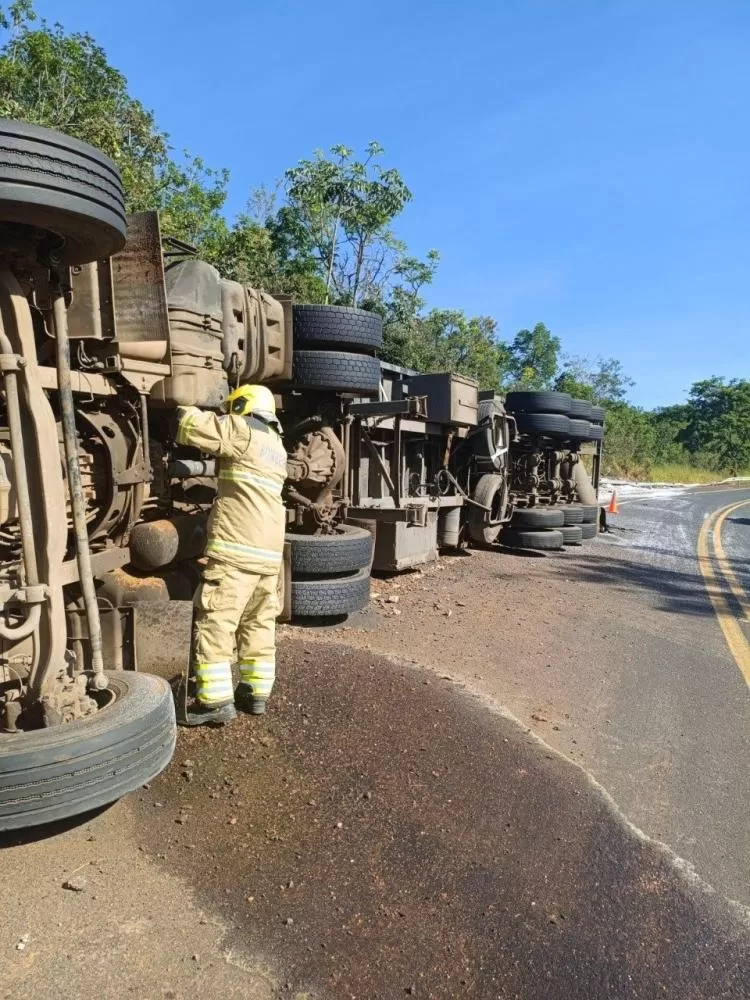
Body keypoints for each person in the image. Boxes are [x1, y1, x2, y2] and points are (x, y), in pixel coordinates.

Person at [175, 384, 287, 726]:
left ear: (244, 406)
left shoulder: (242, 430)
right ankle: (255, 694)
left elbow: (191, 428)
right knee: (258, 623)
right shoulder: (277, 446)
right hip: (269, 557)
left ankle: (214, 702)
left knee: (217, 622)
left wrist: (187, 402)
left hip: (237, 550)